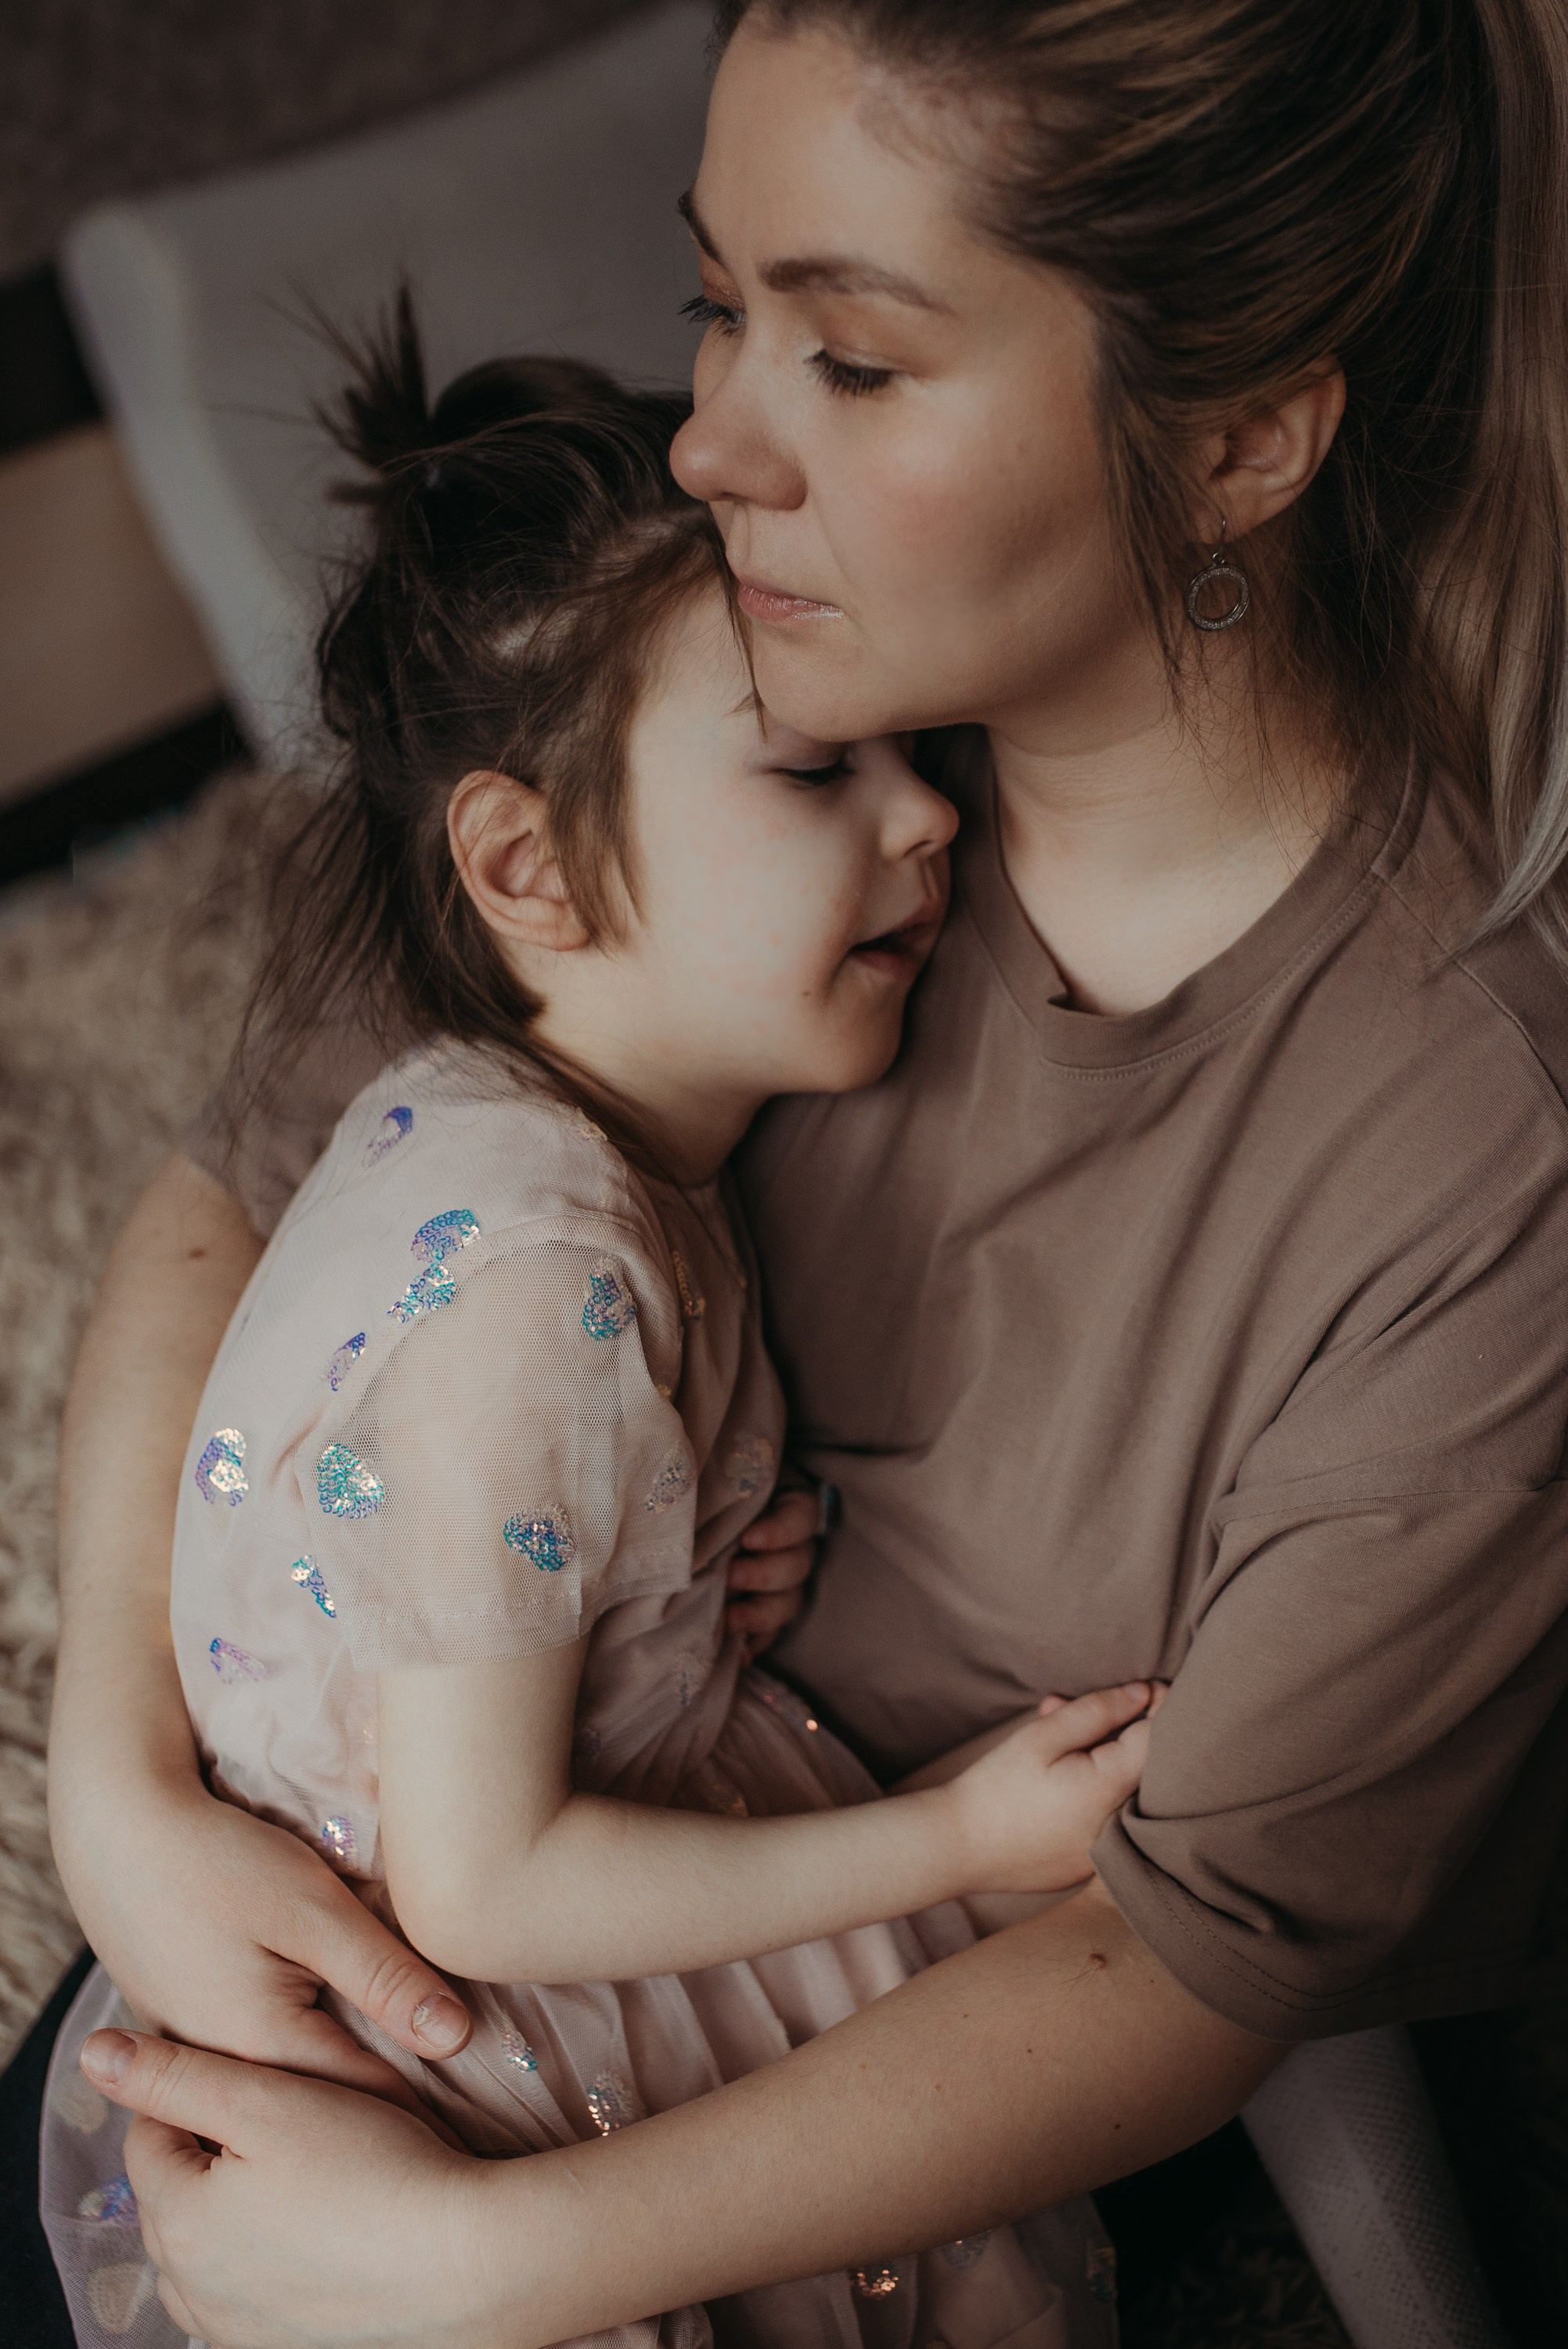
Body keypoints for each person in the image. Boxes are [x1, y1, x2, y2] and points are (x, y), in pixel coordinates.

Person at [44, 0, 1568, 2343]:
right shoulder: (714, 679)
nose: (713, 442)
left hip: (771, 2093)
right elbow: (242, 1170)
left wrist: (477, 2258)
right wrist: (124, 1789)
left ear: (1244, 434)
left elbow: (1196, 1957)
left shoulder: (1468, 1144)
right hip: (373, 1936)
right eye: (712, 307)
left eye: (847, 360)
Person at [43, 318, 1158, 2349]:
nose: (928, 821)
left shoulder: (503, 1122)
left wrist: (663, 1584)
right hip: (469, 2033)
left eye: (920, 747)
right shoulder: (545, 1281)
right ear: (524, 863)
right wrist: (950, 1834)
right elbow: (482, 1889)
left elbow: (394, 1532)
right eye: (818, 765)